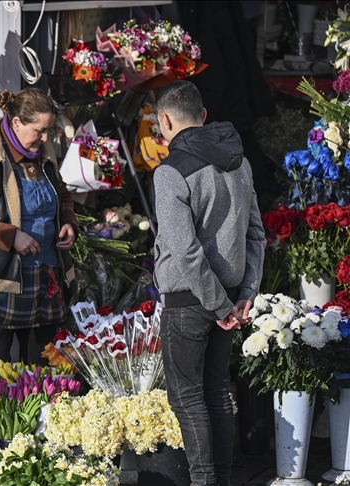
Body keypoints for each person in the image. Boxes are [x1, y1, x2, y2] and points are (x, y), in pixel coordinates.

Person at [153, 80, 266, 486]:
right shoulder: (240, 162)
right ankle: (220, 480)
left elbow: (183, 251)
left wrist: (221, 305)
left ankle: (205, 483)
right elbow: (256, 234)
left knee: (187, 397)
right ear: (202, 116)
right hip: (229, 297)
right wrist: (244, 294)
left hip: (191, 299)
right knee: (216, 390)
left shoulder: (171, 172)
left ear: (165, 121)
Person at [0, 88, 77, 368]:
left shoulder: (43, 153)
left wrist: (68, 221)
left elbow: (62, 192)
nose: (45, 138)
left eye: (48, 130)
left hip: (44, 275)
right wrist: (10, 236)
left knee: (43, 361)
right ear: (16, 123)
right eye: (39, 130)